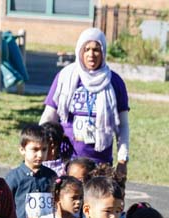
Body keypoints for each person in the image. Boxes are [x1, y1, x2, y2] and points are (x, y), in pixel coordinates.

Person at [40, 28, 129, 184]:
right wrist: (38, 147)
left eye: (96, 49)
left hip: (100, 161)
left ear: (103, 52)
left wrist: (123, 160)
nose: (91, 54)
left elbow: (123, 125)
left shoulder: (114, 82)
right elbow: (49, 117)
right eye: (86, 49)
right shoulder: (64, 77)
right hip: (68, 160)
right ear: (79, 51)